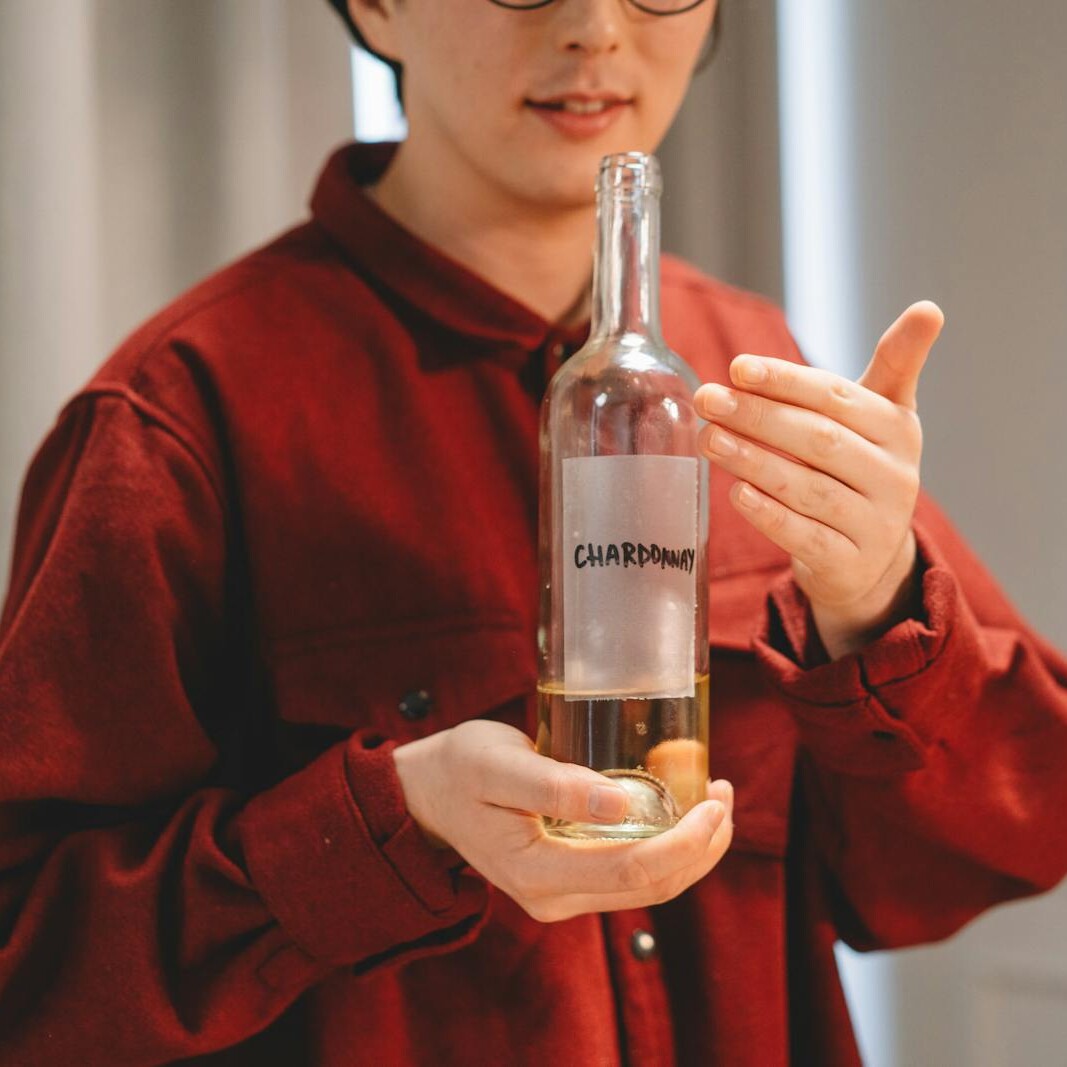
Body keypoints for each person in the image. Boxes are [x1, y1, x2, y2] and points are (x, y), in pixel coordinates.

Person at [0, 0, 1065, 1063]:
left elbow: (1010, 832)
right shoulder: (179, 415)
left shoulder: (752, 369)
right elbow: (30, 965)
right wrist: (396, 822)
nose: (596, 28)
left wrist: (874, 607)